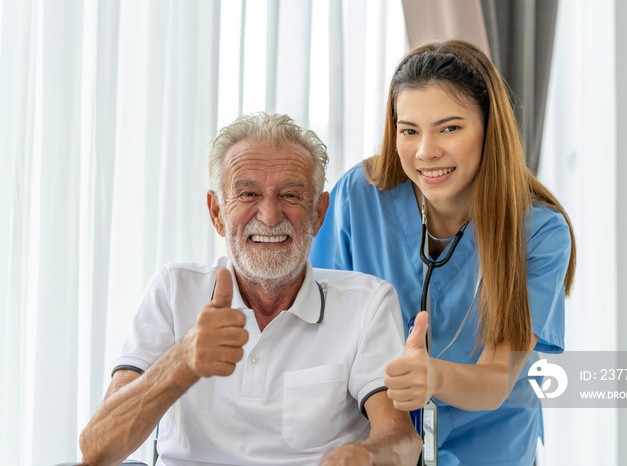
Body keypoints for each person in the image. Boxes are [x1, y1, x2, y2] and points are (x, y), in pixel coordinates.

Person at [79, 112, 422, 466]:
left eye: (290, 194)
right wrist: (181, 362)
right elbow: (96, 448)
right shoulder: (173, 289)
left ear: (319, 214)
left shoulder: (367, 302)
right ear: (216, 213)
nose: (270, 215)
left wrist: (365, 455)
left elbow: (401, 438)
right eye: (248, 194)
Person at [309, 40, 576, 466]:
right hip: (382, 439)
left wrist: (433, 375)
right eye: (409, 130)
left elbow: (496, 379)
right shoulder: (358, 196)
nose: (425, 151)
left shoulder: (539, 233)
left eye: (449, 128)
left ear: (489, 128)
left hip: (491, 445)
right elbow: (320, 329)